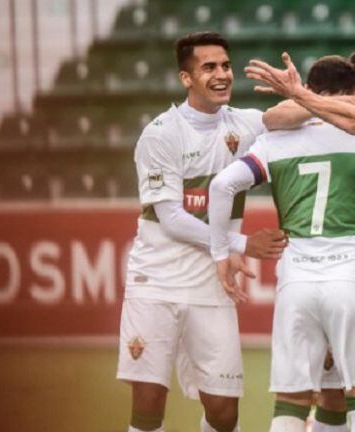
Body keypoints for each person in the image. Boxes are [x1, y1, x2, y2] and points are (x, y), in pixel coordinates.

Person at [207, 55, 355, 432]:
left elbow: (221, 186)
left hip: (298, 283)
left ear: (308, 91)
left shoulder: (274, 143)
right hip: (353, 278)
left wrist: (223, 250)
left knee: (292, 399)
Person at [116, 32, 287, 432]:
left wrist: (300, 92)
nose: (222, 74)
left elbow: (293, 115)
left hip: (212, 285)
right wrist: (242, 244)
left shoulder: (244, 124)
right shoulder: (160, 133)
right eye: (208, 67)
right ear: (186, 78)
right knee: (148, 402)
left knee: (224, 412)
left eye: (225, 65)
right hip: (155, 281)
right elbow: (171, 218)